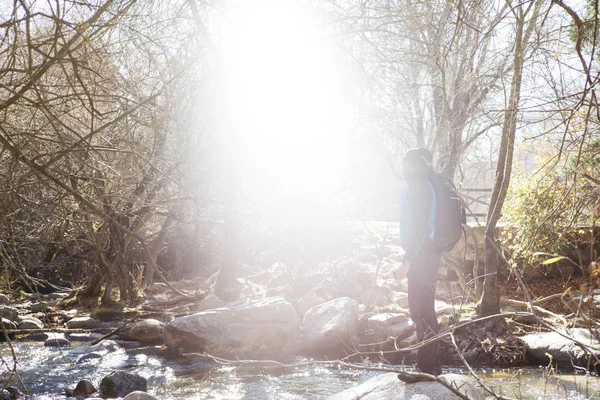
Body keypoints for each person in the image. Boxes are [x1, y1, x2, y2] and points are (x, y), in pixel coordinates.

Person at [396, 147, 442, 377]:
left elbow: (419, 228)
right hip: (426, 254)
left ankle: (424, 368)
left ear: (415, 165)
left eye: (407, 162)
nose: (403, 166)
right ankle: (431, 366)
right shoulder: (422, 187)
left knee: (420, 310)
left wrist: (407, 261)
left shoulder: (420, 189)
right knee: (425, 309)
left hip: (422, 256)